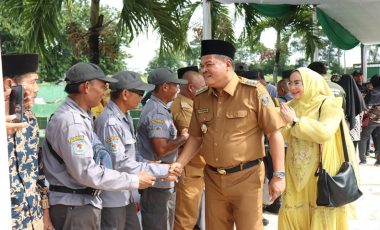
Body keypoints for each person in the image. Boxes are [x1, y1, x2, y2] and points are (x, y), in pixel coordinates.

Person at [172, 40, 286, 230]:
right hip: (213, 179)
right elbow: (195, 138)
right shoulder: (201, 97)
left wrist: (279, 175)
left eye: (209, 64)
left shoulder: (253, 92)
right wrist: (179, 164)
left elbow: (274, 134)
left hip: (247, 178)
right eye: (202, 66)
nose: (204, 70)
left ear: (228, 65)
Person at [41, 62, 157, 229]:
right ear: (86, 87)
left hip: (82, 204)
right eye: (102, 86)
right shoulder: (71, 122)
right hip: (74, 207)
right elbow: (87, 173)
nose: (105, 92)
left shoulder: (82, 117)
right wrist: (133, 180)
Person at [94, 71, 177, 230]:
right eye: (140, 93)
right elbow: (120, 163)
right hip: (113, 197)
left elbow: (131, 154)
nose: (142, 97)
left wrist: (148, 164)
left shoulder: (124, 117)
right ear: (125, 94)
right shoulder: (111, 122)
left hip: (125, 194)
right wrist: (162, 169)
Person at [278, 67, 359, 230]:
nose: (292, 87)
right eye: (290, 83)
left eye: (297, 83)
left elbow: (324, 132)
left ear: (310, 82)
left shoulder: (329, 103)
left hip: (321, 170)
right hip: (296, 170)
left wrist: (294, 121)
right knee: (292, 212)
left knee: (319, 211)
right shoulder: (291, 105)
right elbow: (286, 136)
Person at [2, 53, 53, 229]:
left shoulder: (30, 120)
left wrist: (45, 213)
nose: (37, 88)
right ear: (9, 84)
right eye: (32, 82)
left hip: (33, 219)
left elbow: (38, 173)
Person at [136, 68, 189, 230]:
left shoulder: (159, 107)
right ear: (164, 87)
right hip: (157, 182)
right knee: (158, 224)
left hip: (161, 179)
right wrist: (183, 138)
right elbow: (161, 148)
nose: (177, 89)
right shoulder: (157, 112)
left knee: (164, 222)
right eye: (175, 85)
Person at [172, 66, 206, 230]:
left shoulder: (193, 102)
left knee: (195, 218)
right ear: (191, 88)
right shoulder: (183, 106)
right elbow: (191, 135)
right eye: (203, 87)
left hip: (198, 169)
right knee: (185, 220)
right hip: (189, 170)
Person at [334, 74, 366, 149]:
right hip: (356, 123)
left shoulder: (341, 93)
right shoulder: (358, 93)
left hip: (343, 123)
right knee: (353, 145)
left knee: (344, 146)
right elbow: (362, 110)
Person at [358, 74, 380, 165]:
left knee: (363, 138)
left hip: (371, 119)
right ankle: (379, 160)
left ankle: (363, 160)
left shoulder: (372, 92)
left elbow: (365, 107)